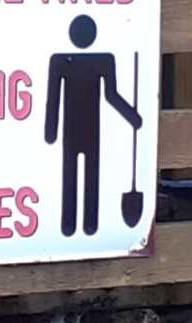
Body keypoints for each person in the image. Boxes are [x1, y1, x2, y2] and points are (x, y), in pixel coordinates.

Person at [44, 15, 142, 237]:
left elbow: (109, 94)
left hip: (83, 130)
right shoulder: (66, 61)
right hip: (82, 130)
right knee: (79, 174)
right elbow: (55, 98)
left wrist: (133, 117)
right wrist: (132, 116)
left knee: (83, 175)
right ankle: (75, 223)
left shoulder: (93, 61)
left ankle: (84, 224)